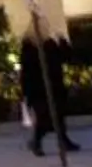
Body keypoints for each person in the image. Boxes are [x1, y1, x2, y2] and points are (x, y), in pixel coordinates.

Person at [18, 16, 78, 158]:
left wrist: (63, 41)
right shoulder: (29, 47)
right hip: (38, 89)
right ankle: (36, 142)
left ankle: (63, 141)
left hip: (55, 86)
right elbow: (27, 71)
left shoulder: (50, 43)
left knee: (59, 115)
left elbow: (66, 58)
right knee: (44, 117)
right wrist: (26, 92)